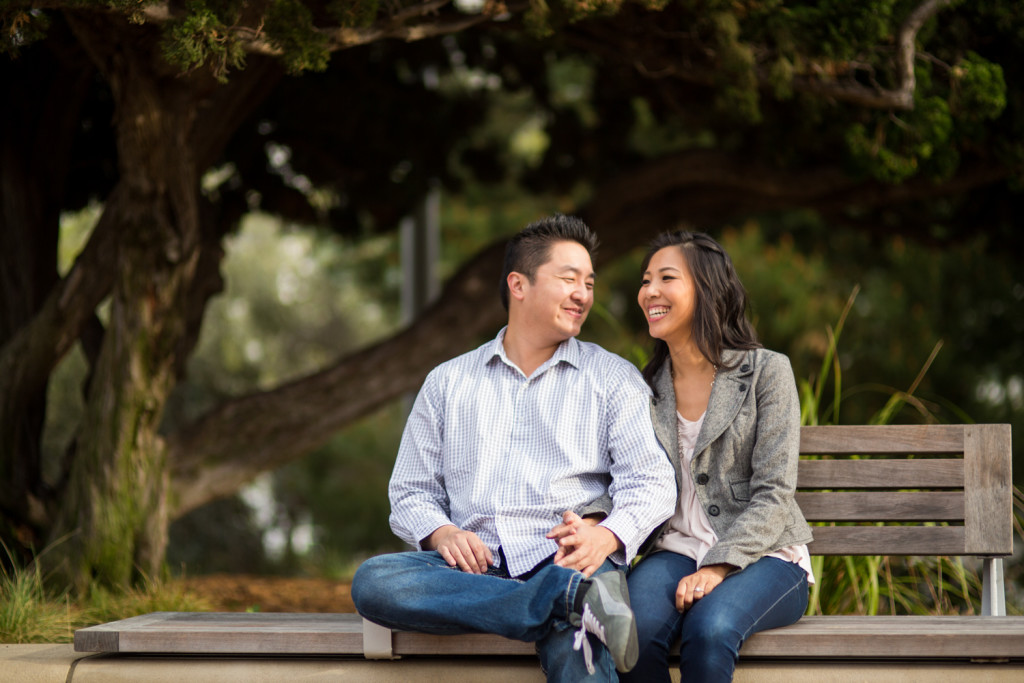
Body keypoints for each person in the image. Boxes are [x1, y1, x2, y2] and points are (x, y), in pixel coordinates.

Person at [351, 215, 676, 681]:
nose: (583, 294)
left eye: (589, 282)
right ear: (518, 285)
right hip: (472, 570)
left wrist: (605, 537)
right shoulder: (448, 382)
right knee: (375, 582)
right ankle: (562, 602)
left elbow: (652, 482)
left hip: (569, 558)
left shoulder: (612, 379)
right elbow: (410, 491)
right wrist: (442, 534)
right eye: (568, 279)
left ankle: (568, 598)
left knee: (576, 649)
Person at [621, 230, 815, 683]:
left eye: (666, 278)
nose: (649, 291)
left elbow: (775, 493)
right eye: (646, 280)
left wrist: (719, 564)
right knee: (628, 632)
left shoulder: (767, 371)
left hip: (766, 555)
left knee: (711, 629)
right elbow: (624, 478)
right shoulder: (643, 388)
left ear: (707, 290)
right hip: (674, 550)